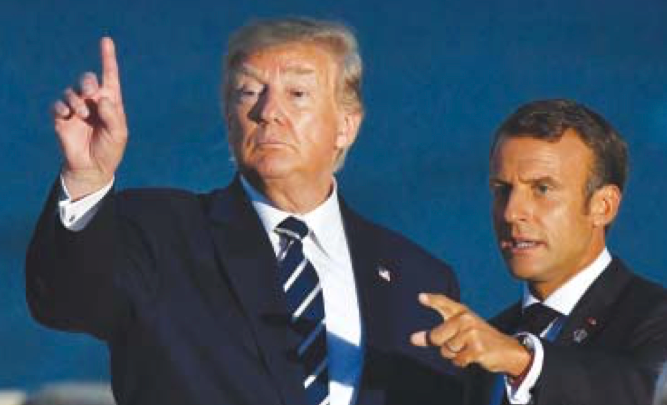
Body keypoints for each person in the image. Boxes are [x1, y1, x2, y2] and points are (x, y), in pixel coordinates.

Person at [25, 17, 460, 405]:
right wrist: (87, 177)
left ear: (346, 125)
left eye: (297, 93)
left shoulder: (419, 281)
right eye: (248, 92)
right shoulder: (161, 234)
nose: (268, 112)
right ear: (229, 117)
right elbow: (66, 301)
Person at [411, 99, 667, 404]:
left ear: (603, 206)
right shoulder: (485, 345)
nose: (511, 212)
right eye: (502, 189)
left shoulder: (654, 317)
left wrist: (525, 363)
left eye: (542, 189)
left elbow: (649, 394)